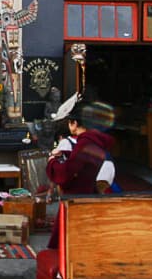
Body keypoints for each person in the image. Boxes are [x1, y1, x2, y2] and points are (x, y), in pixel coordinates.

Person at [44, 102, 114, 248]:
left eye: (70, 123)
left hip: (76, 199)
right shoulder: (94, 141)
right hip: (88, 193)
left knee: (68, 244)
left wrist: (52, 161)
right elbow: (83, 159)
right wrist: (65, 153)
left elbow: (65, 173)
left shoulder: (84, 143)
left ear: (74, 123)